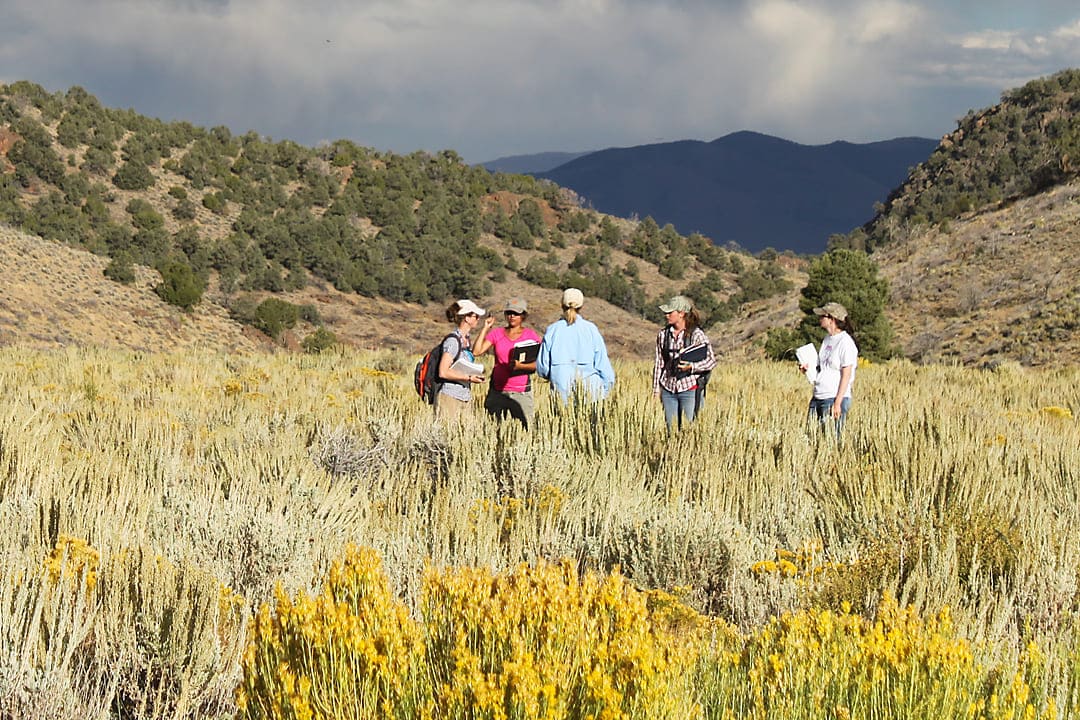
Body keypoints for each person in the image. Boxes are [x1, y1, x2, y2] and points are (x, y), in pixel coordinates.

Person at [473, 297, 543, 428]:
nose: (512, 316)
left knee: (527, 428)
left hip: (521, 392)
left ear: (523, 315)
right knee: (493, 429)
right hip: (498, 391)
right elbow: (477, 351)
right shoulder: (497, 333)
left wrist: (521, 366)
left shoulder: (531, 336)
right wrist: (485, 328)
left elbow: (539, 363)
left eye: (516, 313)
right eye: (509, 313)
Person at [537, 288, 616, 402]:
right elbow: (604, 367)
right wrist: (605, 391)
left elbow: (543, 368)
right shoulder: (591, 330)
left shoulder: (552, 331)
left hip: (562, 397)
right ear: (581, 306)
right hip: (592, 395)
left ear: (562, 305)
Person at [652, 295, 717, 431]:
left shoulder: (696, 335)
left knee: (689, 429)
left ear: (681, 314)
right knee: (671, 429)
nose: (666, 315)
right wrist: (656, 390)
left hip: (689, 389)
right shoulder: (663, 336)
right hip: (668, 389)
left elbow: (711, 361)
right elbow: (659, 363)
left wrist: (692, 367)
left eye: (670, 312)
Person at [800, 301, 858, 436]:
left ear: (832, 319)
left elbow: (846, 375)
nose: (819, 319)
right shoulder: (827, 339)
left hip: (833, 398)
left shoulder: (845, 342)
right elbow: (823, 367)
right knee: (812, 437)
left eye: (822, 316)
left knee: (831, 440)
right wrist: (808, 369)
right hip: (818, 396)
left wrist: (838, 402)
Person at [434, 299, 487, 421]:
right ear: (467, 318)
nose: (478, 319)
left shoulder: (466, 339)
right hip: (450, 396)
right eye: (476, 316)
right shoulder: (453, 341)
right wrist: (469, 378)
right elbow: (443, 372)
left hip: (464, 396)